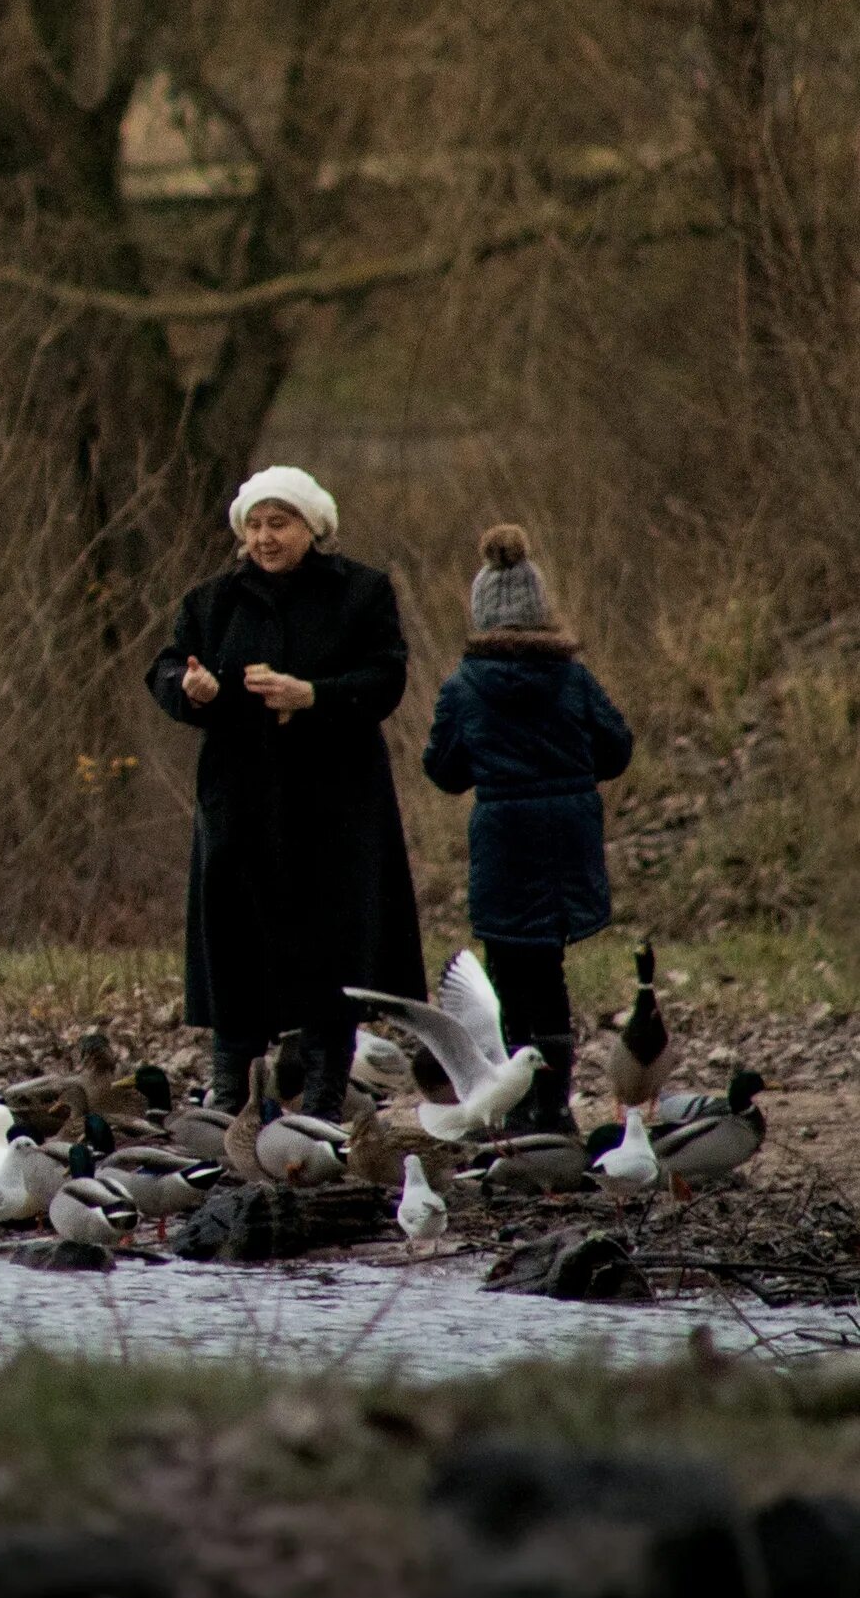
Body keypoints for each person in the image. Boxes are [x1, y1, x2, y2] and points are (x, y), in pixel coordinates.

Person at [147, 466, 426, 1116]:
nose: (266, 537)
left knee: (332, 951)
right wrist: (192, 690)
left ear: (313, 527)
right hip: (241, 803)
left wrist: (314, 695)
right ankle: (232, 1099)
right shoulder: (211, 602)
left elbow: (386, 678)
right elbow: (166, 666)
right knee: (235, 946)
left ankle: (326, 1093)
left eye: (280, 522)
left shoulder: (361, 593)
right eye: (255, 524)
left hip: (336, 804)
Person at [420, 524, 633, 1133]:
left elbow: (443, 770)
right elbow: (616, 748)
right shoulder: (573, 677)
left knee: (509, 969)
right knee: (549, 970)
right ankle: (555, 1106)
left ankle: (519, 1111)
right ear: (541, 609)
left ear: (482, 613)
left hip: (503, 837)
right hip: (568, 836)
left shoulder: (464, 686)